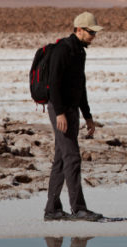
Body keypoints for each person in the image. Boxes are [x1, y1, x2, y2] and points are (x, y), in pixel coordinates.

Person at [44, 12, 104, 222]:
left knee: (62, 158)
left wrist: (87, 115)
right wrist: (60, 112)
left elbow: (81, 86)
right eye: (90, 32)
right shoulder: (62, 50)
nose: (93, 36)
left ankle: (52, 210)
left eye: (94, 33)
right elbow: (54, 84)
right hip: (60, 110)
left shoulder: (79, 52)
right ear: (79, 29)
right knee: (72, 157)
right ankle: (78, 208)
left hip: (71, 109)